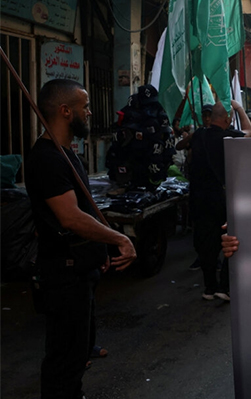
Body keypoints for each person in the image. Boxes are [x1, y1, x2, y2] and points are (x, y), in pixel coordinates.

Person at [25, 79, 137, 398]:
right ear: (64, 111)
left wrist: (97, 253)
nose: (88, 113)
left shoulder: (67, 155)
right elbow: (71, 217)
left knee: (76, 354)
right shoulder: (47, 159)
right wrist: (119, 239)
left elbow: (83, 209)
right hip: (62, 275)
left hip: (79, 270)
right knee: (65, 359)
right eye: (84, 107)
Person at [190, 101, 250, 301]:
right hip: (221, 198)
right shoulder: (229, 138)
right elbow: (250, 131)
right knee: (230, 240)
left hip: (199, 199)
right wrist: (240, 109)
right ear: (227, 119)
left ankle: (209, 287)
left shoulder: (199, 135)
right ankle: (224, 286)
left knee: (206, 244)